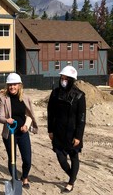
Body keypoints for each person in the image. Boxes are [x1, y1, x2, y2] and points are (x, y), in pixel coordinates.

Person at [47, 65, 86, 193]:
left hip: (73, 133)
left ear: (71, 80)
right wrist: (50, 130)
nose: (63, 81)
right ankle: (72, 175)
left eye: (66, 79)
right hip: (58, 132)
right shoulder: (55, 93)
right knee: (61, 158)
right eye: (62, 78)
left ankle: (71, 182)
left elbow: (81, 118)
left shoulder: (80, 96)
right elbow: (50, 113)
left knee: (74, 157)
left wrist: (78, 136)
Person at [0, 73, 38, 189]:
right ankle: (15, 180)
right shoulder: (3, 99)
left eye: (14, 84)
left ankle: (24, 177)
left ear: (19, 85)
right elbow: (0, 118)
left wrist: (26, 126)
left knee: (27, 159)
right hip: (9, 133)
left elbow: (29, 115)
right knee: (12, 159)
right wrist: (7, 120)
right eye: (10, 85)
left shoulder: (25, 99)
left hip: (22, 133)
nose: (12, 87)